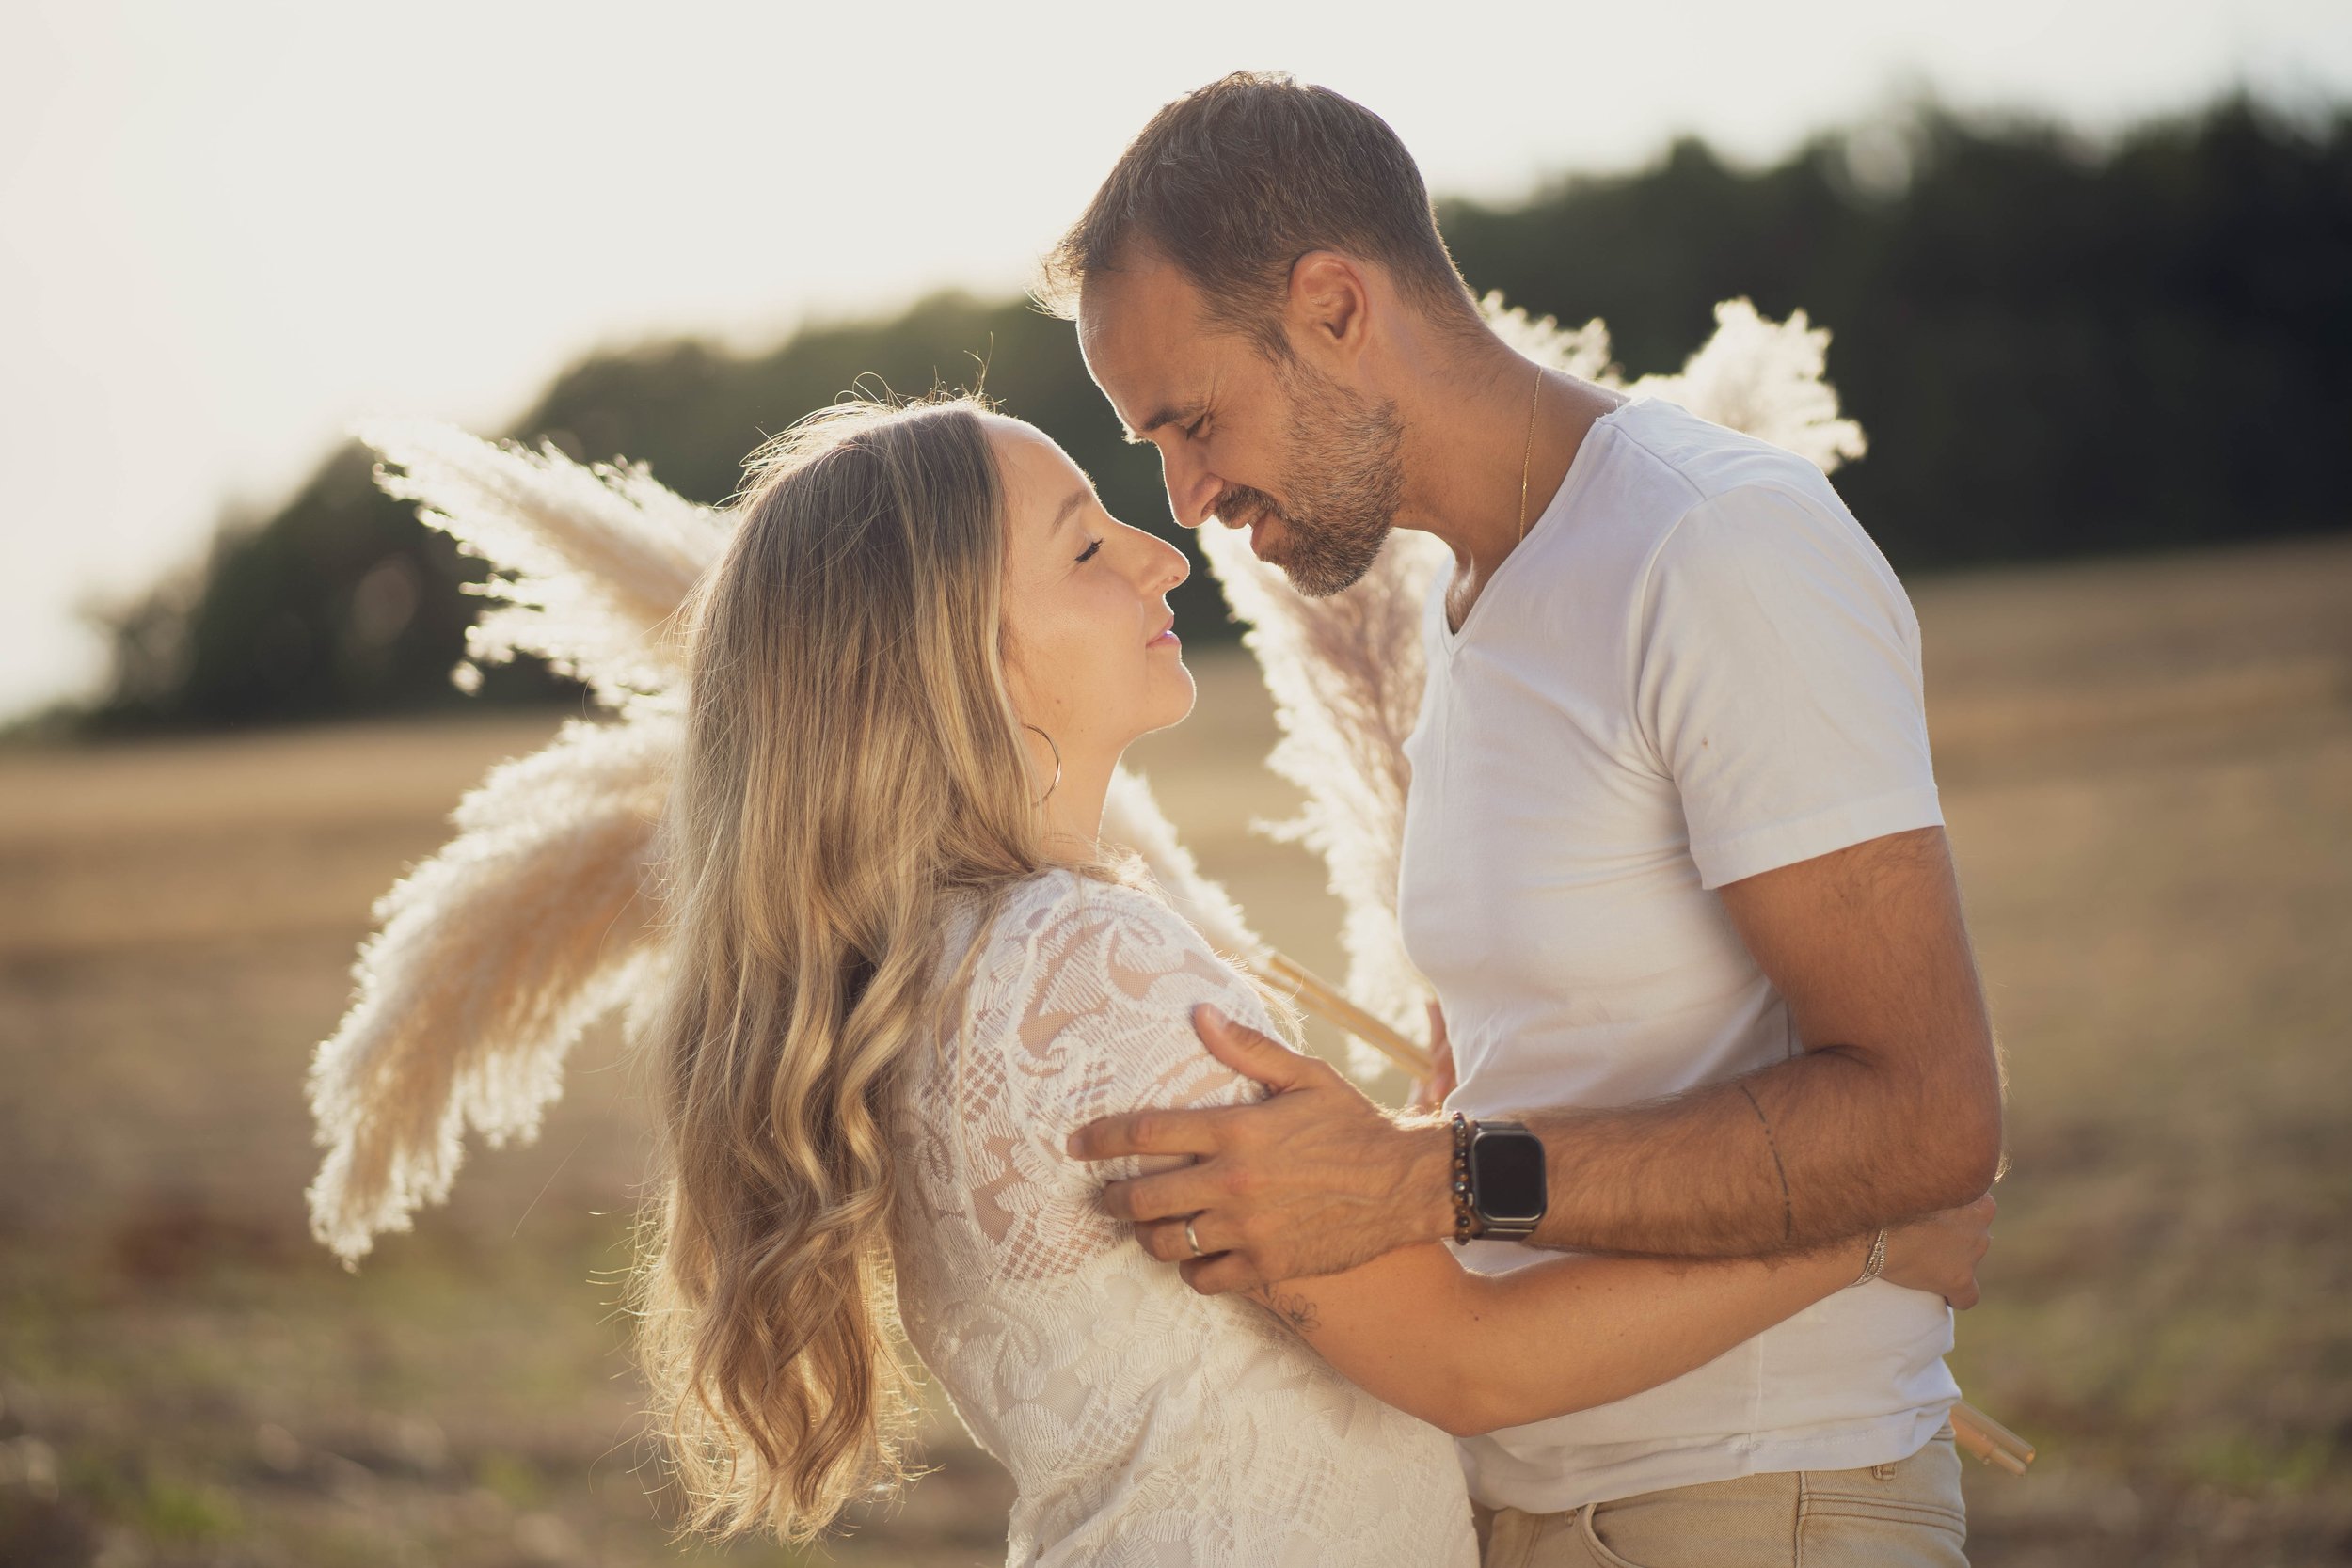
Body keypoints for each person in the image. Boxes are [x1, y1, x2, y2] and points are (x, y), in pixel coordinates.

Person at [627, 393, 1993, 1565]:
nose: (1162, 558)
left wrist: (1418, 1132)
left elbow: (1232, 1341)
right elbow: (1465, 1362)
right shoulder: (1082, 966)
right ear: (955, 655)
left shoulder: (935, 967)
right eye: (1087, 546)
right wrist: (1864, 1239)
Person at [1049, 73, 2006, 1565]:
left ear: (1335, 306)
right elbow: (1557, 1076)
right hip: (1535, 1504)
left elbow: (1931, 1113)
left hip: (1758, 1505)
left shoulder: (1709, 545)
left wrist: (1422, 1180)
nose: (1185, 498)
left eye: (1193, 422)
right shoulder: (1469, 602)